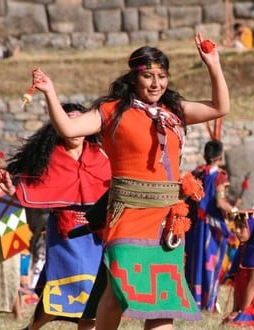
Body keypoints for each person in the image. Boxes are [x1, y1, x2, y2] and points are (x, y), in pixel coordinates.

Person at [25, 34, 230, 329]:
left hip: (166, 218)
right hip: (128, 214)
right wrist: (50, 92)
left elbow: (219, 107)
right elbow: (68, 127)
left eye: (161, 76)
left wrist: (213, 64)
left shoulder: (173, 112)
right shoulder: (112, 111)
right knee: (118, 286)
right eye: (148, 76)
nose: (156, 83)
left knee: (163, 299)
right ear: (134, 77)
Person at [0, 103, 111, 329]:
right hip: (64, 234)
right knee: (62, 291)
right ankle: (33, 326)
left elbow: (114, 184)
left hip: (95, 234)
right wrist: (13, 190)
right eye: (69, 121)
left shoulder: (101, 156)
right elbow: (31, 187)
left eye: (80, 121)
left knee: (91, 297)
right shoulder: (49, 158)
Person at [185, 139, 241, 312]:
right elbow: (220, 202)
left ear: (205, 155)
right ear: (220, 156)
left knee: (194, 262)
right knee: (211, 264)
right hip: (212, 228)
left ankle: (191, 301)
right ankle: (207, 303)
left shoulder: (197, 173)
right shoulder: (220, 177)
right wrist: (236, 211)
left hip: (194, 227)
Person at [0, 152, 22, 320]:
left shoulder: (11, 188)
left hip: (11, 231)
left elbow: (19, 207)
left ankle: (18, 313)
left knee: (13, 272)